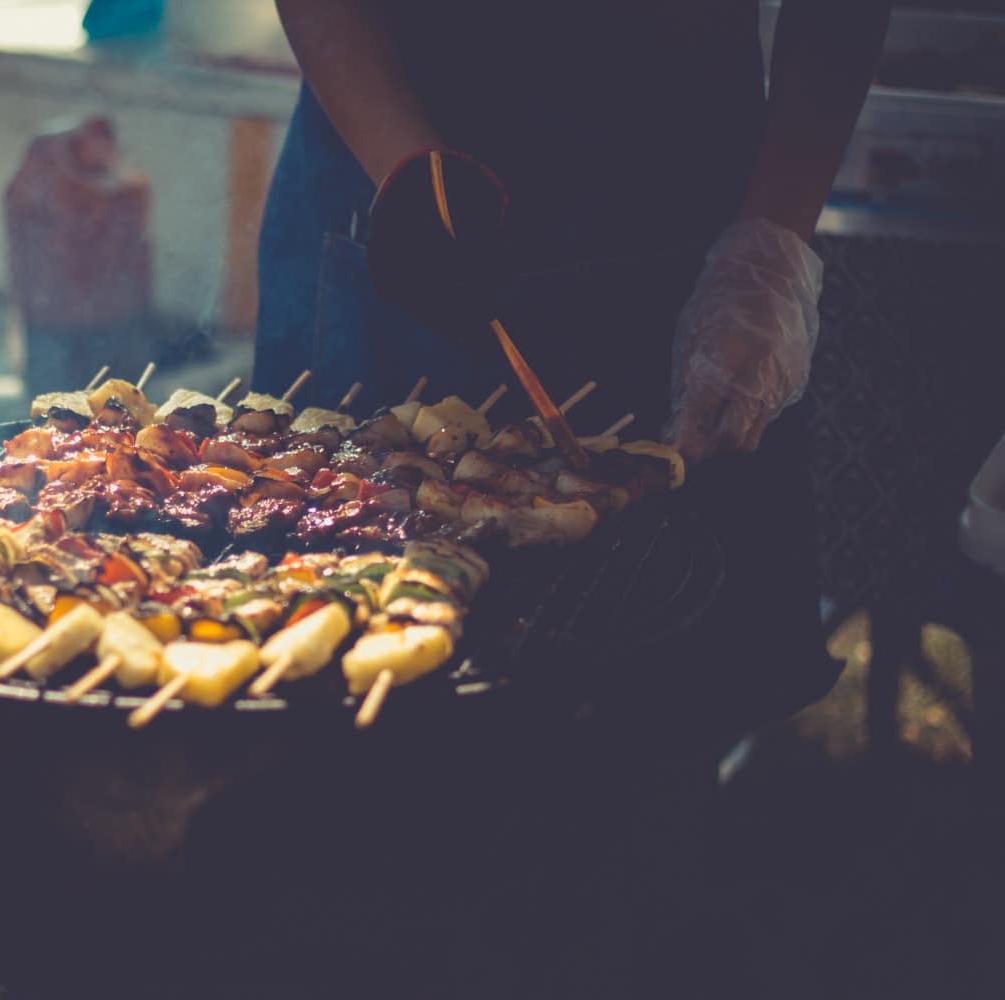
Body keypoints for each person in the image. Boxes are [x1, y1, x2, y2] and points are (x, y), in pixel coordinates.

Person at [256, 0, 894, 732]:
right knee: (345, 671)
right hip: (388, 151)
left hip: (680, 198)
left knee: (657, 695)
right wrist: (409, 171)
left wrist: (772, 242)